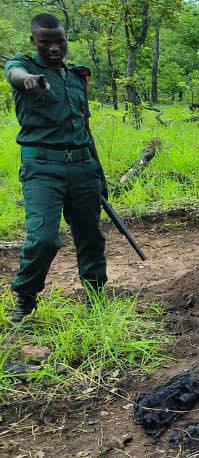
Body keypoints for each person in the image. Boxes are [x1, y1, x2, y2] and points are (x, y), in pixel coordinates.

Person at [4, 14, 107, 323]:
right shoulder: (24, 67)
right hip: (42, 168)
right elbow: (15, 74)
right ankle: (25, 297)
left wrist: (99, 174)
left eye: (58, 41)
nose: (53, 48)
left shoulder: (75, 76)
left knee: (91, 237)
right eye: (45, 42)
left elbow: (85, 129)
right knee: (43, 238)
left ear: (66, 40)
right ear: (33, 41)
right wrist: (29, 82)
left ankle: (96, 298)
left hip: (83, 166)